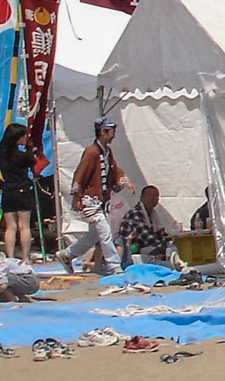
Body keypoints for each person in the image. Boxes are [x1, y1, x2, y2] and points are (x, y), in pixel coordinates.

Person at [61, 116, 131, 275]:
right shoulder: (91, 151)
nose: (114, 135)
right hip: (90, 199)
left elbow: (114, 170)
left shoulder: (107, 152)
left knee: (94, 236)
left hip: (100, 201)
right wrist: (76, 196)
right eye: (111, 131)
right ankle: (114, 265)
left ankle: (68, 254)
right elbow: (81, 173)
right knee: (105, 232)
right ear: (102, 132)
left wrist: (124, 181)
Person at [0, 122, 40, 264]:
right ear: (17, 138)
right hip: (22, 190)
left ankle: (9, 257)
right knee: (24, 226)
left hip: (7, 191)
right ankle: (25, 257)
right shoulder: (21, 155)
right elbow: (31, 161)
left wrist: (0, 184)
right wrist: (30, 148)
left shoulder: (1, 152)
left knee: (10, 227)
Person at [119, 185, 178, 263]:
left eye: (155, 196)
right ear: (141, 198)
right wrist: (165, 246)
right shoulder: (135, 213)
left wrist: (171, 242)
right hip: (130, 253)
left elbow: (162, 233)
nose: (152, 199)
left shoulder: (153, 215)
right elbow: (148, 238)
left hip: (145, 249)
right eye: (149, 195)